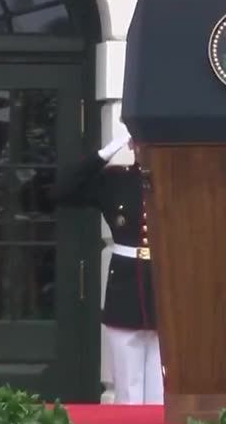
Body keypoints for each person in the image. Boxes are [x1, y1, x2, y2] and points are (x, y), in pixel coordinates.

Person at [52, 123, 162, 404]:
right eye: (139, 143)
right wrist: (103, 154)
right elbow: (62, 190)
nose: (145, 149)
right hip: (125, 287)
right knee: (127, 385)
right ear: (131, 146)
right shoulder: (116, 180)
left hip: (166, 287)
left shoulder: (179, 182)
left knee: (162, 389)